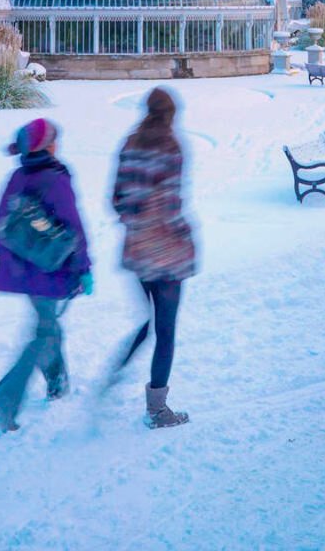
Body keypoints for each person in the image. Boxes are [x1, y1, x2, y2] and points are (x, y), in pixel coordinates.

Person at [0, 117, 92, 437]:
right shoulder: (55, 179)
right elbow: (75, 228)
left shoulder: (18, 176)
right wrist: (84, 269)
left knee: (48, 326)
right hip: (52, 270)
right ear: (48, 146)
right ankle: (4, 403)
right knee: (42, 337)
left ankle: (57, 383)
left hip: (24, 273)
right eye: (55, 139)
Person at [110, 87, 196, 429]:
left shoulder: (129, 144)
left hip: (136, 248)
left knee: (147, 322)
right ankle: (158, 409)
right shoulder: (171, 147)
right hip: (167, 253)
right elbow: (172, 206)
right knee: (166, 330)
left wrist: (135, 220)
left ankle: (116, 370)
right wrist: (185, 237)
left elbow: (115, 199)